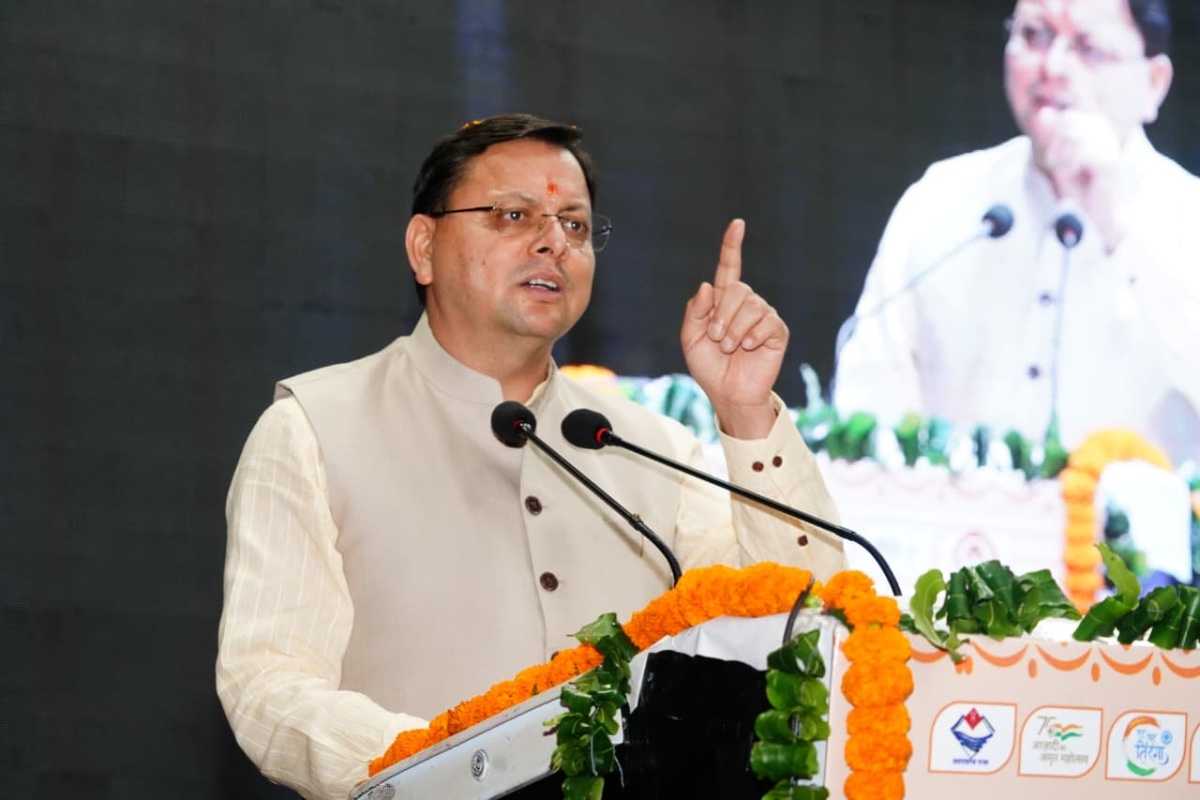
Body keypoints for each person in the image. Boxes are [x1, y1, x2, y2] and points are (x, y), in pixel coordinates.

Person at [216, 114, 845, 799]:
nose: (553, 242)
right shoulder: (314, 429)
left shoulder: (651, 449)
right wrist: (448, 771)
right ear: (424, 247)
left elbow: (802, 628)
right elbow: (269, 685)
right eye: (513, 215)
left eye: (575, 225)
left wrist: (746, 411)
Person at [834, 0, 1200, 464]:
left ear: (1154, 83)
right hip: (952, 508)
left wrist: (1118, 228)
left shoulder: (1189, 217)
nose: (1054, 67)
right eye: (1035, 35)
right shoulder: (941, 201)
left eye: (1089, 47)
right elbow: (866, 405)